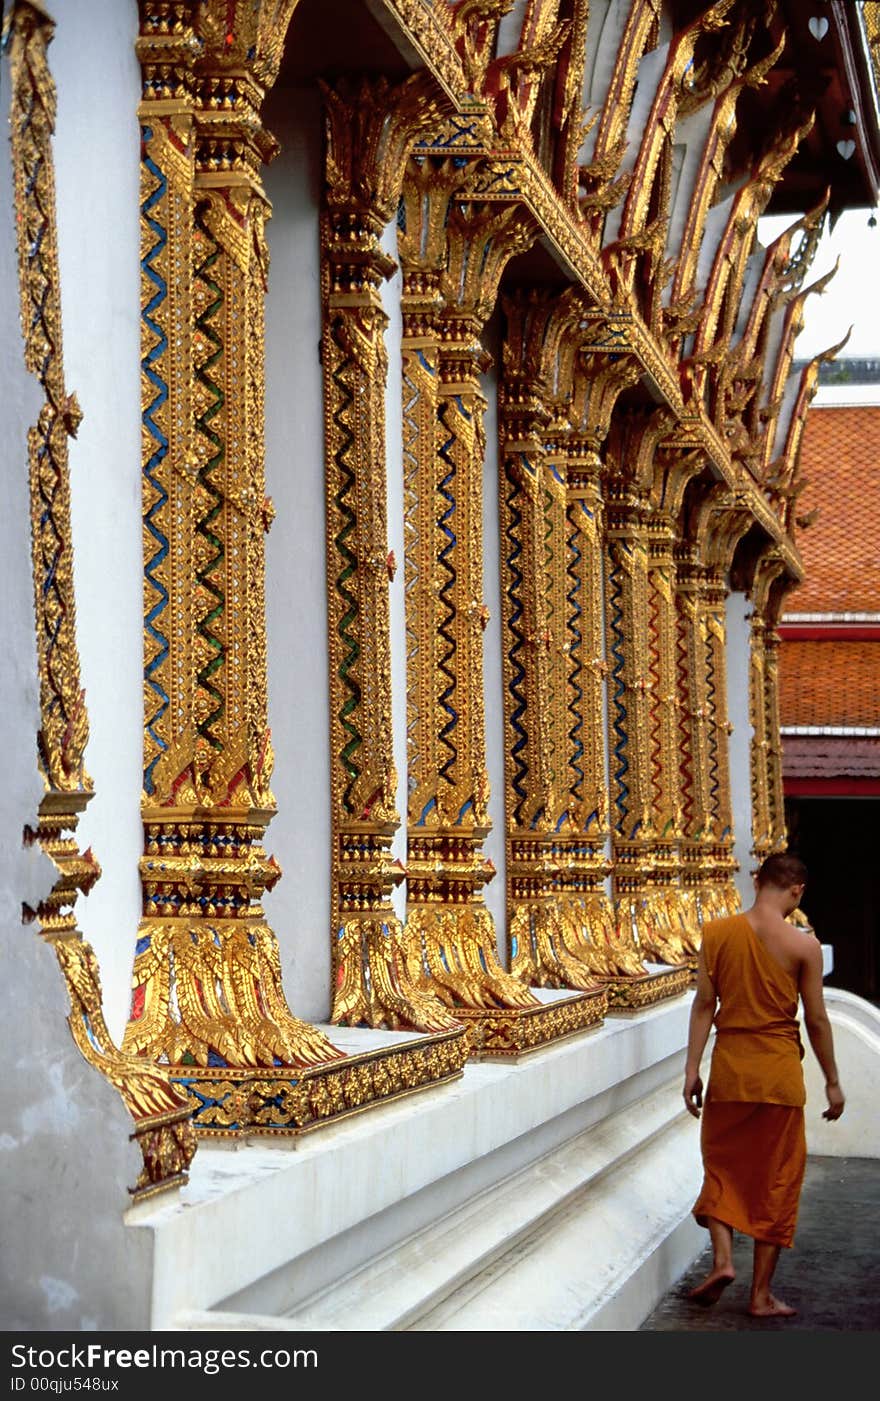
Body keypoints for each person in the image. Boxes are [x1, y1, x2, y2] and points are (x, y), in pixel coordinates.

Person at [682, 852, 845, 1318]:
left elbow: (703, 1006)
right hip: (777, 1076)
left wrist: (692, 1068)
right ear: (798, 891)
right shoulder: (803, 946)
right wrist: (833, 1082)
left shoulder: (716, 934)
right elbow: (815, 1018)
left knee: (722, 1167)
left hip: (730, 1069)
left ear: (759, 882)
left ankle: (722, 1260)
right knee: (777, 1178)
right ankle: (760, 1295)